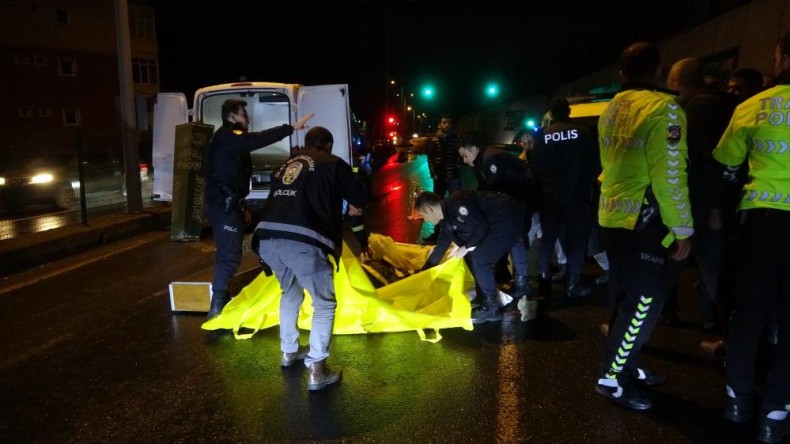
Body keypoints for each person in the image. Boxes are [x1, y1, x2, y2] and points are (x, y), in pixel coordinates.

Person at [594, 41, 694, 411]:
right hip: (644, 221)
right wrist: (682, 228)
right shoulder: (664, 110)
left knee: (625, 299)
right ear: (656, 69)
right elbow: (669, 175)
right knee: (643, 303)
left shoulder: (611, 109)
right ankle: (612, 377)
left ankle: (627, 365)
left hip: (612, 216)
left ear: (622, 73)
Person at [712, 31, 790, 443]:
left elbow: (726, 162)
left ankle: (738, 401)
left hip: (760, 223)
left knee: (750, 315)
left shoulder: (754, 105)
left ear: (783, 58)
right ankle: (775, 415)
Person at [253, 126, 368, 391]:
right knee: (324, 303)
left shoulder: (286, 164)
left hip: (267, 237)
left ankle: (288, 351)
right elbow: (359, 198)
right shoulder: (332, 163)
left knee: (290, 292)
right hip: (303, 239)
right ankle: (317, 368)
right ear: (328, 145)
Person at [204, 99, 314, 319]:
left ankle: (223, 299)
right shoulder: (228, 136)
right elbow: (256, 140)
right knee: (229, 255)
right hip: (223, 204)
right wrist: (291, 128)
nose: (248, 118)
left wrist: (240, 204)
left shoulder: (228, 138)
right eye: (244, 114)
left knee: (239, 246)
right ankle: (217, 307)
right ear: (232, 117)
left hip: (229, 203)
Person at [663, 57, 736, 332]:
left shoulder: (696, 108)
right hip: (704, 203)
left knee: (682, 259)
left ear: (677, 82)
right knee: (709, 265)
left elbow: (704, 161)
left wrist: (714, 206)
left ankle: (712, 322)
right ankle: (711, 319)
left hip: (697, 204)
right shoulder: (718, 103)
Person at [416, 189, 531, 324]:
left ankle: (490, 308)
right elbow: (441, 246)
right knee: (472, 254)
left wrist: (465, 247)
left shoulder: (457, 202)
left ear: (429, 209)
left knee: (480, 258)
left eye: (423, 216)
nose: (425, 220)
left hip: (509, 217)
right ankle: (485, 295)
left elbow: (481, 227)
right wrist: (425, 271)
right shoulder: (446, 220)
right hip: (501, 220)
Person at [531, 97, 599, 300]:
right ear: (569, 111)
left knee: (548, 238)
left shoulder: (542, 136)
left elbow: (538, 168)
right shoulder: (584, 133)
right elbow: (596, 165)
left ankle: (544, 281)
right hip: (577, 196)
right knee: (577, 241)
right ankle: (573, 283)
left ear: (551, 114)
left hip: (550, 197)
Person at [458, 133, 539, 299]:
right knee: (513, 237)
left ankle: (522, 282)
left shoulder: (490, 158)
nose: (464, 160)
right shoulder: (480, 161)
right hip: (515, 200)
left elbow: (493, 188)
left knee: (516, 239)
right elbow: (485, 188)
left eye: (465, 156)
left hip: (524, 198)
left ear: (473, 149)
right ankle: (513, 277)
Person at [422, 115, 462, 244]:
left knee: (456, 204)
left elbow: (460, 155)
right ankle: (437, 234)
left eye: (449, 122)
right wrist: (433, 173)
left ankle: (457, 233)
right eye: (444, 122)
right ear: (440, 124)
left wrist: (458, 164)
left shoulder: (456, 139)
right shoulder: (435, 139)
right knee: (437, 204)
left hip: (453, 177)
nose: (446, 125)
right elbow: (430, 158)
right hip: (439, 178)